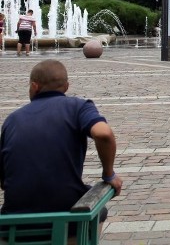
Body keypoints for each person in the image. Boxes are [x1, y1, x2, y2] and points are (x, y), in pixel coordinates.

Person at [0, 59, 123, 219]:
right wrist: (109, 174)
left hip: (14, 218)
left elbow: (3, 180)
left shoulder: (12, 119)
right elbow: (103, 133)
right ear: (66, 87)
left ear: (34, 86)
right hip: (66, 211)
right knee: (99, 211)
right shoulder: (78, 107)